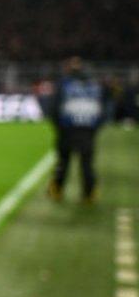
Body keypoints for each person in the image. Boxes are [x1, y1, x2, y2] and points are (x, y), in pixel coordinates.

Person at [47, 56, 105, 203]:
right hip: (87, 129)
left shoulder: (64, 84)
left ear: (68, 69)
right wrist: (94, 129)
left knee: (63, 161)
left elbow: (54, 108)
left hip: (68, 129)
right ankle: (89, 193)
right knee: (86, 163)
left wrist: (58, 128)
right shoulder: (93, 85)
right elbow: (101, 111)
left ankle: (57, 190)